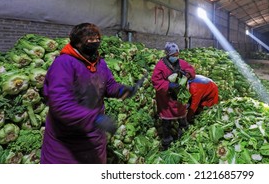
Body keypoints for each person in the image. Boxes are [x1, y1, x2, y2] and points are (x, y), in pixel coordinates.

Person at [40, 23, 136, 164]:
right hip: (66, 142)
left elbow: (108, 85)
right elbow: (60, 104)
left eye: (97, 39)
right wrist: (94, 119)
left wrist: (121, 90)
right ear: (77, 42)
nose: (94, 43)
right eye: (89, 40)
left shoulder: (99, 63)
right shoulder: (64, 63)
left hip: (94, 139)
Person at [151, 42, 196, 150]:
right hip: (166, 99)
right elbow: (156, 81)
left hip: (179, 98)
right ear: (168, 54)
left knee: (182, 117)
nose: (176, 57)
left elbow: (190, 69)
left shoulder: (181, 63)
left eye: (177, 55)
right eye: (173, 56)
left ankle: (183, 138)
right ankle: (167, 142)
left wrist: (188, 74)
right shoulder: (160, 65)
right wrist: (168, 85)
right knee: (167, 122)